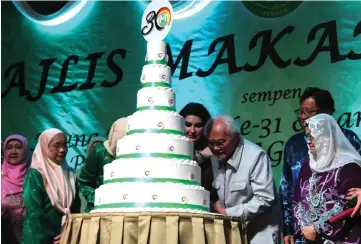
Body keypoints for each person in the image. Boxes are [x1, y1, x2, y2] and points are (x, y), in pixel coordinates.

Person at [280, 87, 361, 244]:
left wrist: (318, 228)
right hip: (305, 234)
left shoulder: (348, 143)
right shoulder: (296, 148)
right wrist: (290, 228)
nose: (303, 118)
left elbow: (350, 202)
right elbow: (288, 191)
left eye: (309, 113)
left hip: (341, 236)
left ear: (327, 113)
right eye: (300, 112)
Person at [205, 115, 281, 244]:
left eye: (220, 143)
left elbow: (265, 198)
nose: (216, 148)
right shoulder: (214, 157)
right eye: (211, 143)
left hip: (260, 234)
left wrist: (228, 213)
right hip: (231, 232)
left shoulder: (256, 156)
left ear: (236, 137)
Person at [293, 114, 361, 243]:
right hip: (309, 238)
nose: (308, 141)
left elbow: (350, 207)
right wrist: (303, 228)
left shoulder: (348, 167)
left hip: (342, 238)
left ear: (327, 138)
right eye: (308, 136)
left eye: (313, 136)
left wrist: (318, 228)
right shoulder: (308, 165)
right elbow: (298, 199)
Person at [21, 128, 80, 244]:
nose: (62, 150)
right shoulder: (36, 174)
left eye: (65, 145)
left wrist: (69, 231)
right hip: (39, 236)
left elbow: (75, 207)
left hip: (66, 236)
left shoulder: (70, 174)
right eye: (56, 146)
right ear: (44, 147)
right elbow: (35, 212)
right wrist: (53, 236)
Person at [78, 118, 127, 212]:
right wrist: (99, 198)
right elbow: (84, 183)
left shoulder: (138, 156)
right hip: (100, 211)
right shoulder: (100, 152)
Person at [179, 103, 214, 194]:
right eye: (187, 124)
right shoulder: (171, 147)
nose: (192, 131)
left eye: (198, 126)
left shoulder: (214, 149)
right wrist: (200, 157)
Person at [1, 135, 31, 244]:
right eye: (9, 147)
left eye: (18, 147)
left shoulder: (36, 175)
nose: (13, 151)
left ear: (26, 150)